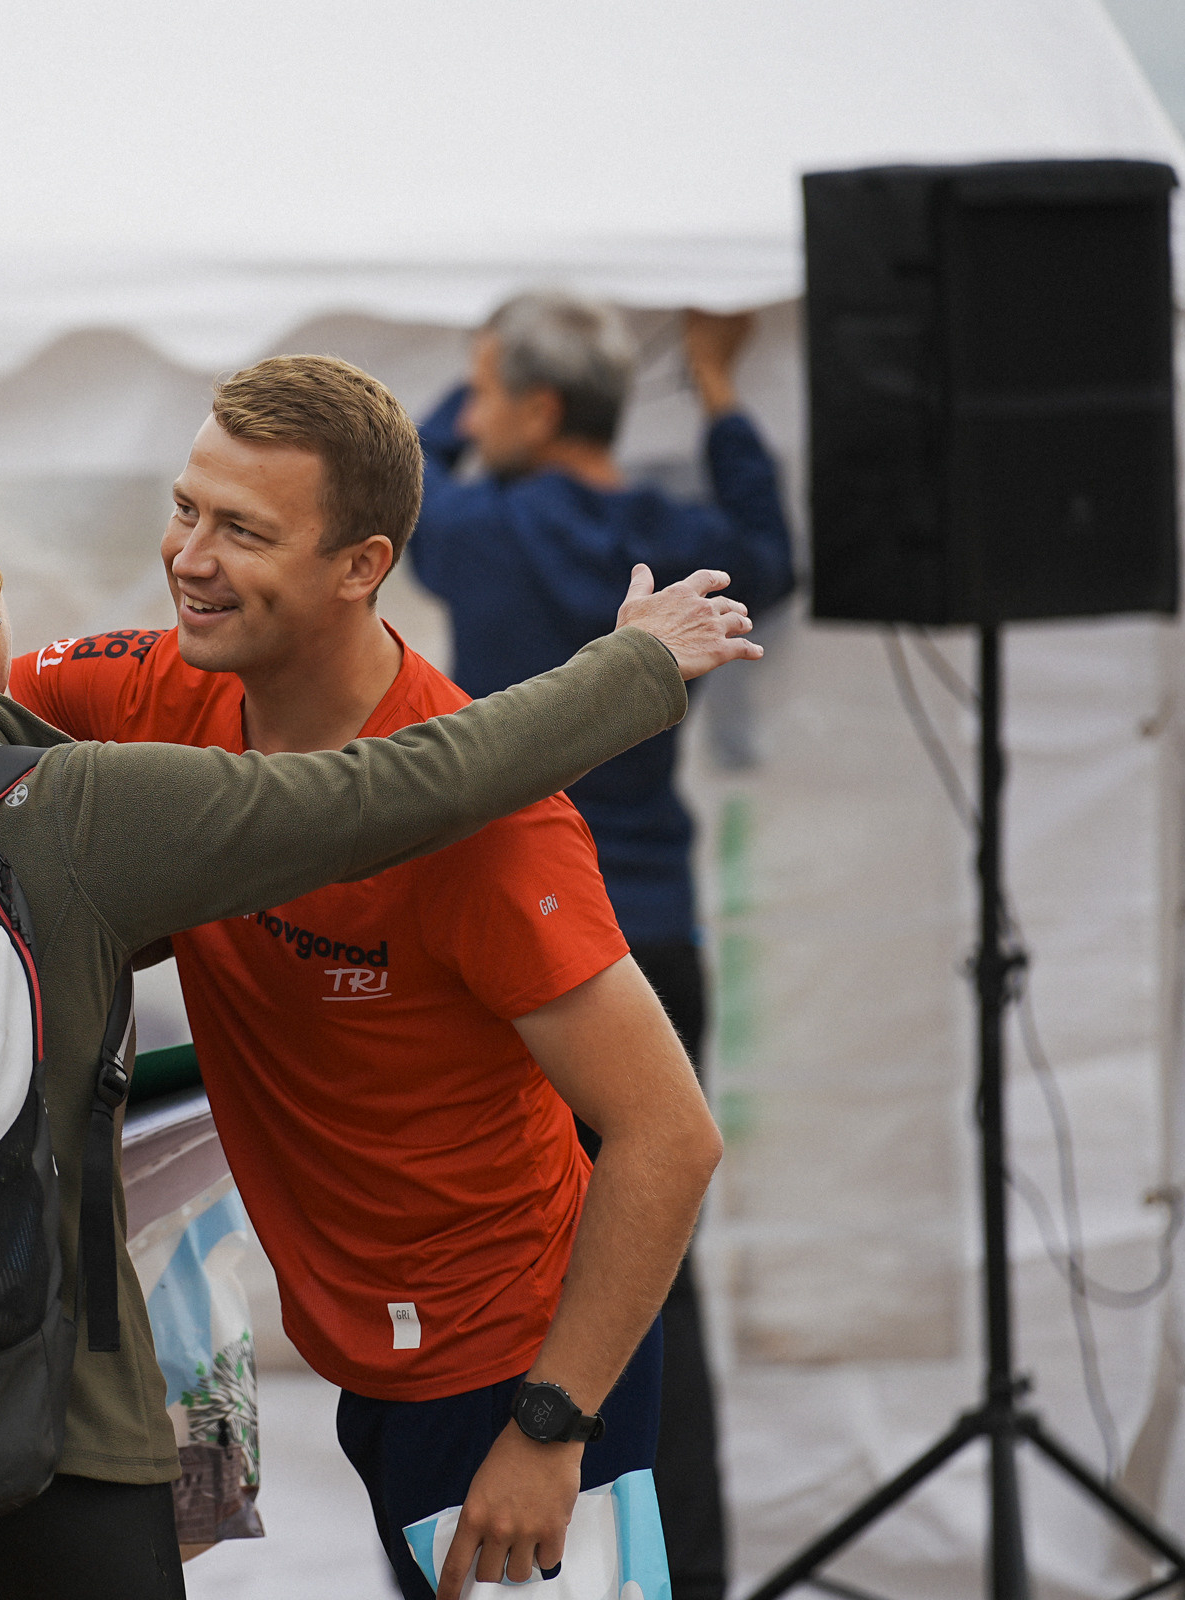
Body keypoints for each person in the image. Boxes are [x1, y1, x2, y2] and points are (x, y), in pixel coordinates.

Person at [0, 358, 745, 1598]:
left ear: (360, 565)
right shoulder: (157, 689)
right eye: (187, 506)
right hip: (377, 1364)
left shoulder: (494, 829)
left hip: (513, 1372)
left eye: (241, 529)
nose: (189, 555)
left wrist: (553, 1424)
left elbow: (670, 1136)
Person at [409, 292, 797, 1600]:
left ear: (528, 406)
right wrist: (717, 386)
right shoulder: (673, 540)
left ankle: (531, 1567)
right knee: (652, 1277)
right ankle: (686, 1566)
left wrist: (486, 377)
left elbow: (404, 472)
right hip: (658, 937)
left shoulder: (481, 527)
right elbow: (773, 552)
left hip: (529, 961)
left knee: (518, 1274)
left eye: (489, 382)